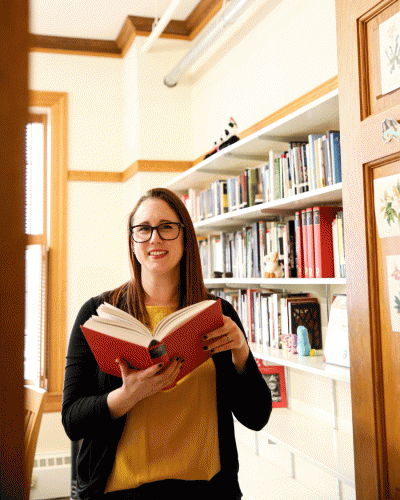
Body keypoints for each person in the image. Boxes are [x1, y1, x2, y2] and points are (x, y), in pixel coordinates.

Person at [62, 187, 272, 500]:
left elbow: (256, 417)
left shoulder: (217, 314)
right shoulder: (98, 314)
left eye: (167, 227)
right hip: (118, 490)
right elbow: (72, 420)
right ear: (132, 242)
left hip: (206, 490)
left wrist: (241, 352)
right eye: (143, 229)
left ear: (185, 237)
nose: (154, 239)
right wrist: (127, 395)